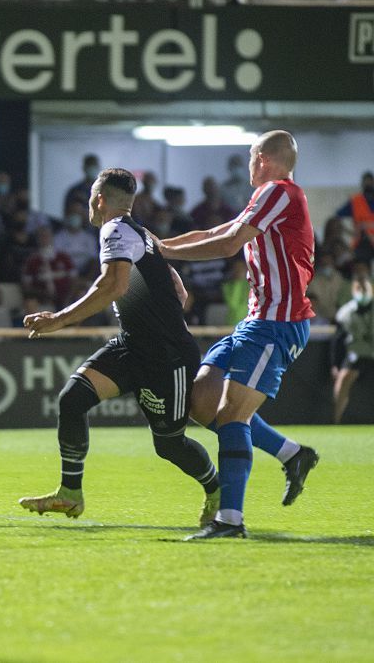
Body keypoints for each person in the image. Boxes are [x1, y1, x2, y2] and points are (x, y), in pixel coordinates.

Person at [19, 168, 220, 527]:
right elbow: (178, 289)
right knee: (73, 398)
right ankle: (70, 492)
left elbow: (114, 286)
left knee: (170, 445)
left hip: (166, 355)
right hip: (133, 345)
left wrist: (59, 320)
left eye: (89, 201)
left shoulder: (114, 231)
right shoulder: (141, 234)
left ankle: (217, 490)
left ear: (98, 200)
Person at [158, 130, 319, 540]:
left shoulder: (279, 191)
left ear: (263, 158)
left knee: (231, 415)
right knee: (202, 398)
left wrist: (163, 252)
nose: (248, 165)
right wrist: (157, 247)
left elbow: (227, 245)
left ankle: (230, 520)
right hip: (255, 321)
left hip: (276, 324)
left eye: (250, 157)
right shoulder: (265, 198)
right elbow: (215, 233)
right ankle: (292, 454)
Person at [332, 264, 374, 423]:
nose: (363, 292)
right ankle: (336, 419)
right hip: (356, 352)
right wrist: (335, 364)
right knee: (343, 379)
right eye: (359, 288)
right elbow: (338, 341)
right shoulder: (345, 313)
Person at [335, 171, 374, 265]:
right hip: (360, 243)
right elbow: (337, 216)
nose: (368, 184)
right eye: (366, 182)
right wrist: (348, 231)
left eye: (370, 182)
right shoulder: (356, 201)